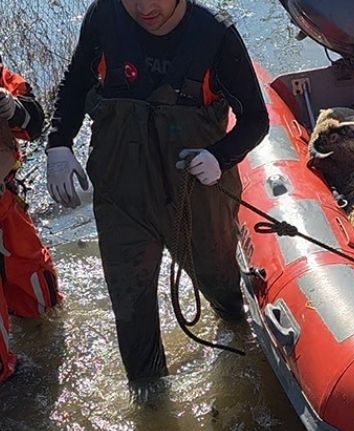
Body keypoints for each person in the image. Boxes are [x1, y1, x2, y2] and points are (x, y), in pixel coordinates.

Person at [46, 0, 268, 383]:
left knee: (223, 292)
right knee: (131, 314)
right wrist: (58, 144)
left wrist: (220, 156)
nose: (145, 7)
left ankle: (244, 369)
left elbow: (255, 120)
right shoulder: (104, 17)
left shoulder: (215, 35)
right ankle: (149, 402)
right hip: (122, 197)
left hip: (196, 193)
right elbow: (76, 82)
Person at [0, 54, 61, 383]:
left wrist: (13, 109)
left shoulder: (1, 78)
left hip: (6, 202)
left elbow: (34, 121)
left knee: (41, 301)